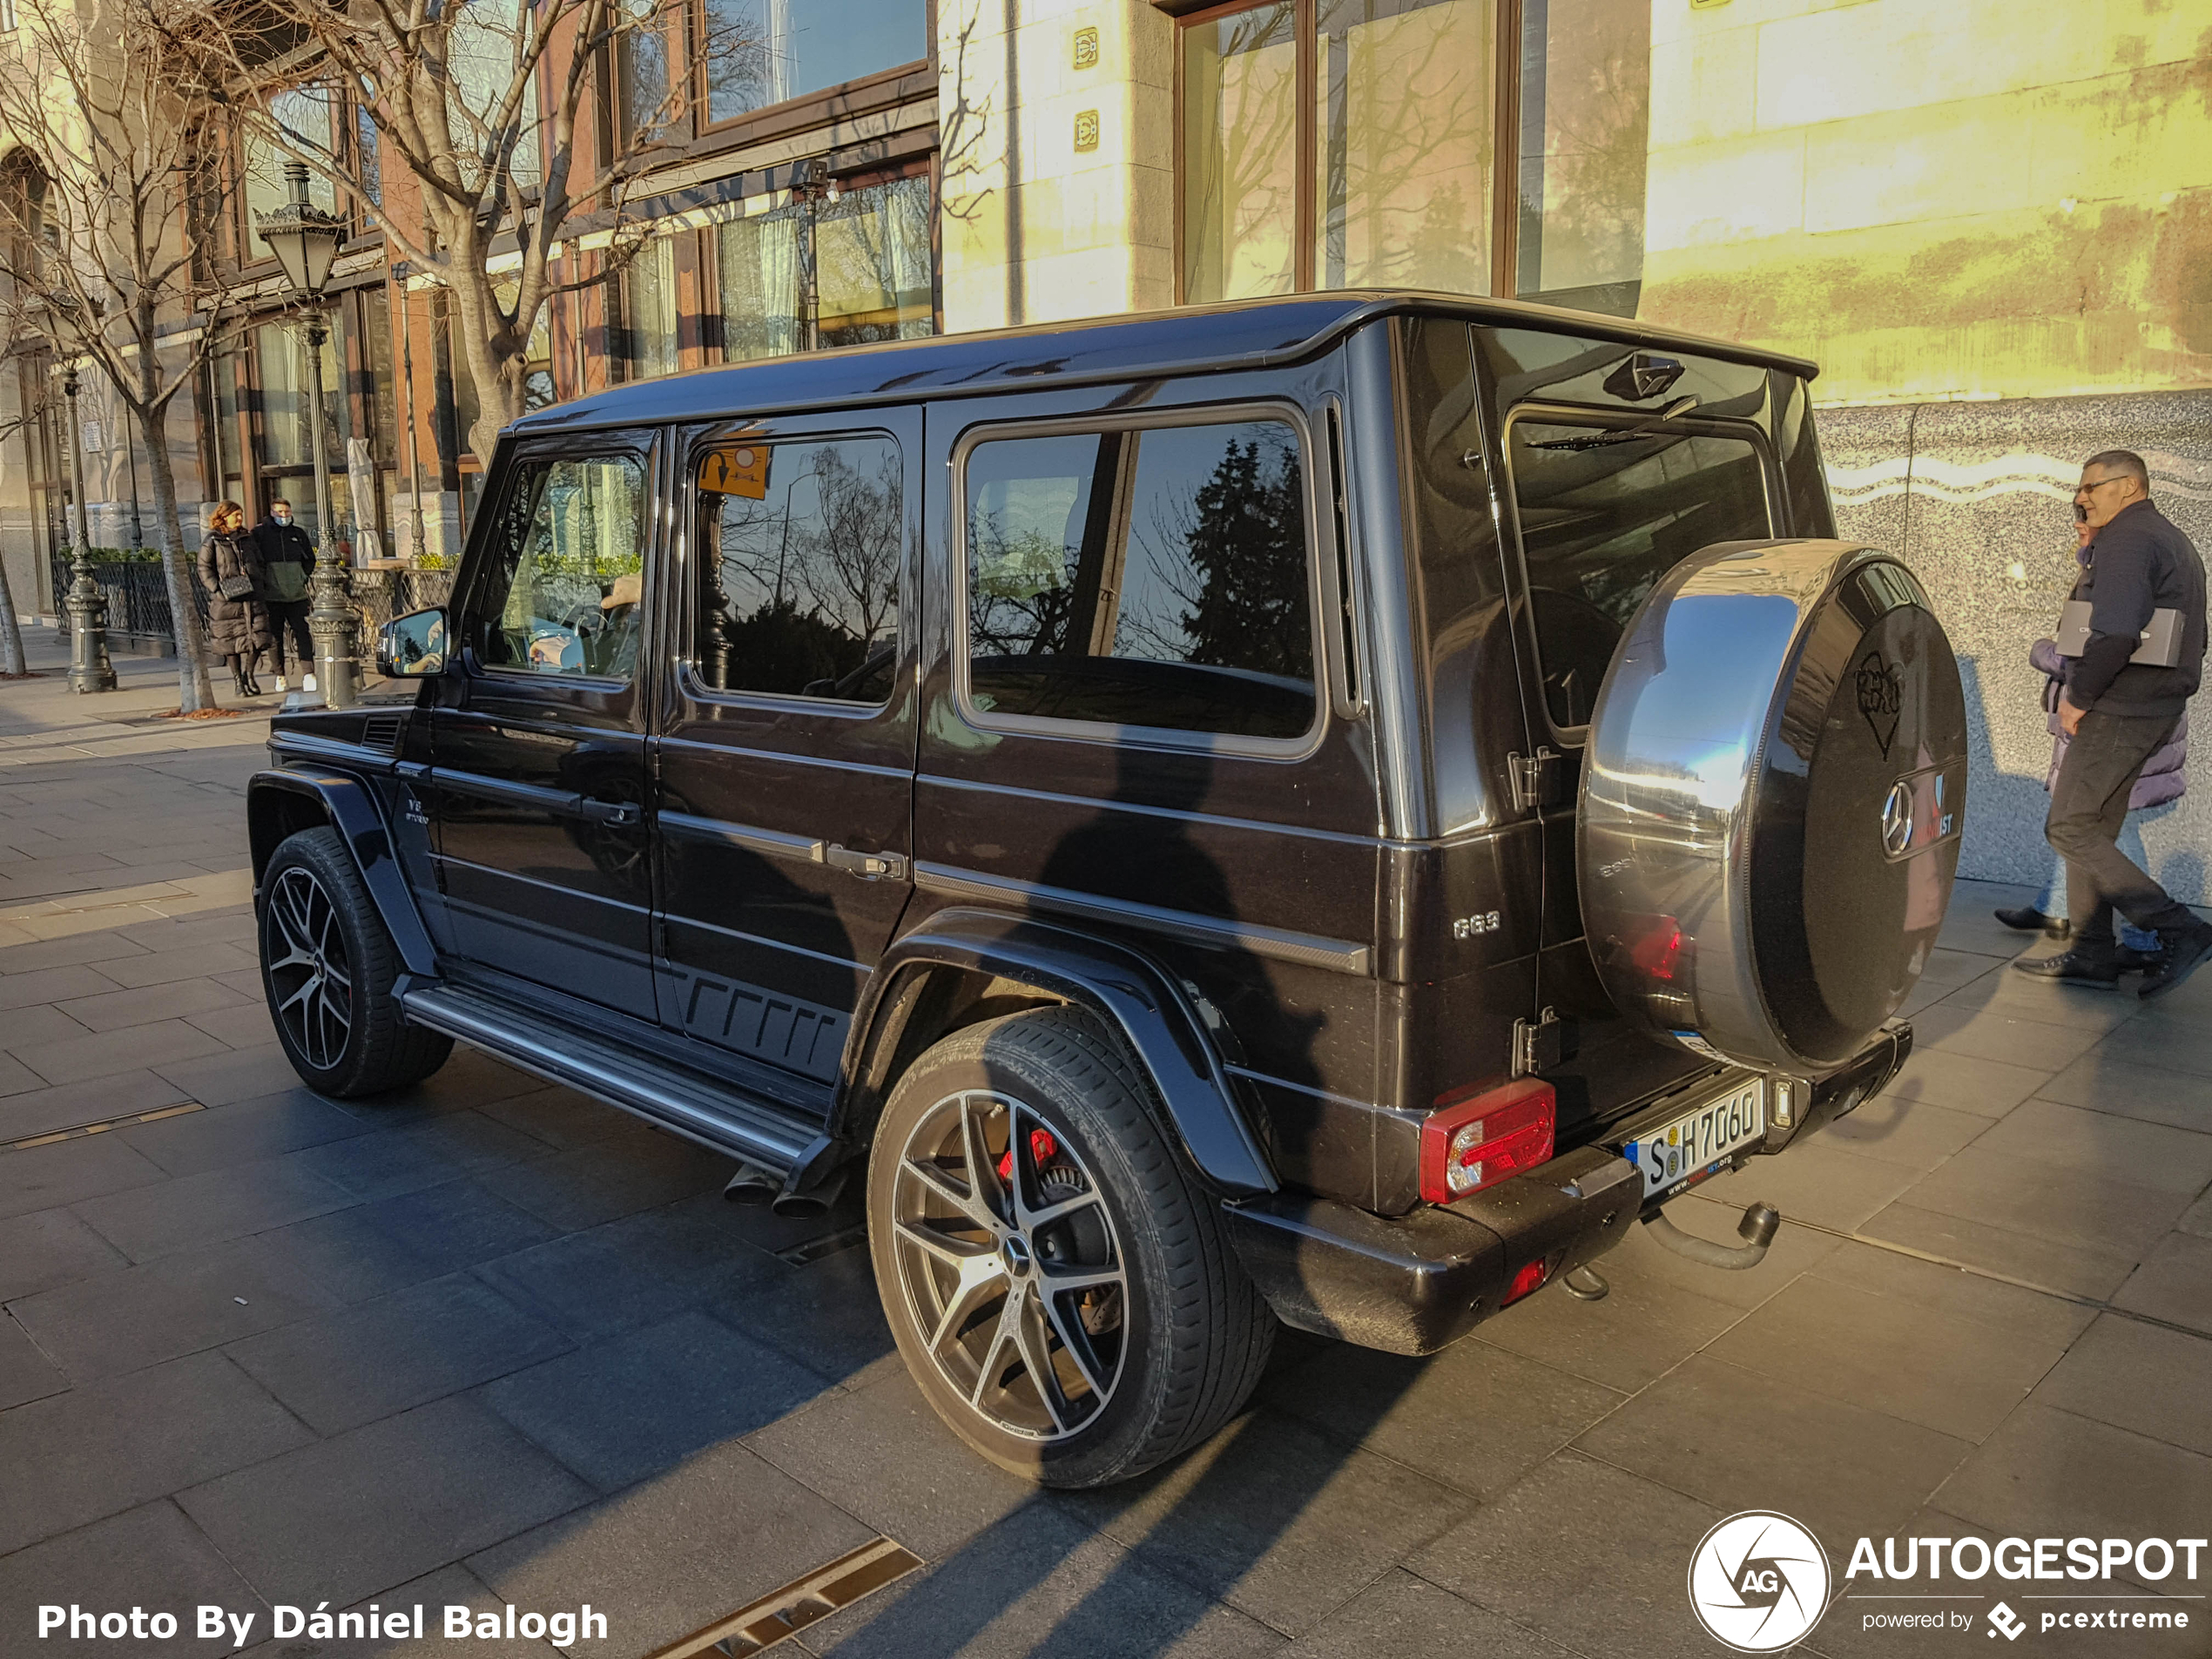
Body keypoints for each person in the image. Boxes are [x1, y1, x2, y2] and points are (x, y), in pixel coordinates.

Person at [2017, 451, 2212, 997]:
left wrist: (2078, 697)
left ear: (2128, 486)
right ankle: (2095, 953)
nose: (2082, 497)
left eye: (2091, 487)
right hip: (2151, 706)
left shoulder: (2129, 538)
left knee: (2070, 827)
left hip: (2120, 708)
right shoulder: (2165, 538)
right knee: (2093, 829)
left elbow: (2117, 633)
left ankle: (2180, 928)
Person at [1996, 520, 2188, 973]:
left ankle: (2153, 935)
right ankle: (2072, 919)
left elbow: (2093, 648)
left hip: (2115, 722)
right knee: (2084, 829)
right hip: (2116, 720)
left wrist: (2044, 651)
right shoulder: (2111, 566)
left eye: (2087, 515)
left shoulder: (2125, 565)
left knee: (2095, 833)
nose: (2080, 526)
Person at [197, 500, 271, 698]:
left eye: (240, 514)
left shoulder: (247, 537)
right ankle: (238, 680)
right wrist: (217, 589)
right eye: (235, 515)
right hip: (227, 600)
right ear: (224, 516)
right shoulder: (213, 540)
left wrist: (260, 580)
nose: (239, 518)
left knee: (258, 637)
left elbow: (259, 561)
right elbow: (204, 568)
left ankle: (249, 674)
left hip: (252, 594)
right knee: (231, 641)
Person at [252, 498, 314, 691]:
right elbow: (254, 560)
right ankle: (280, 675)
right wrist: (264, 582)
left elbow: (310, 559)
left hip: (297, 594)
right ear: (271, 512)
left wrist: (302, 577)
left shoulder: (298, 533)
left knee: (302, 633)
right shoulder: (259, 534)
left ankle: (308, 674)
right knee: (275, 637)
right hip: (272, 596)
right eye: (279, 512)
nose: (284, 516)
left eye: (287, 512)